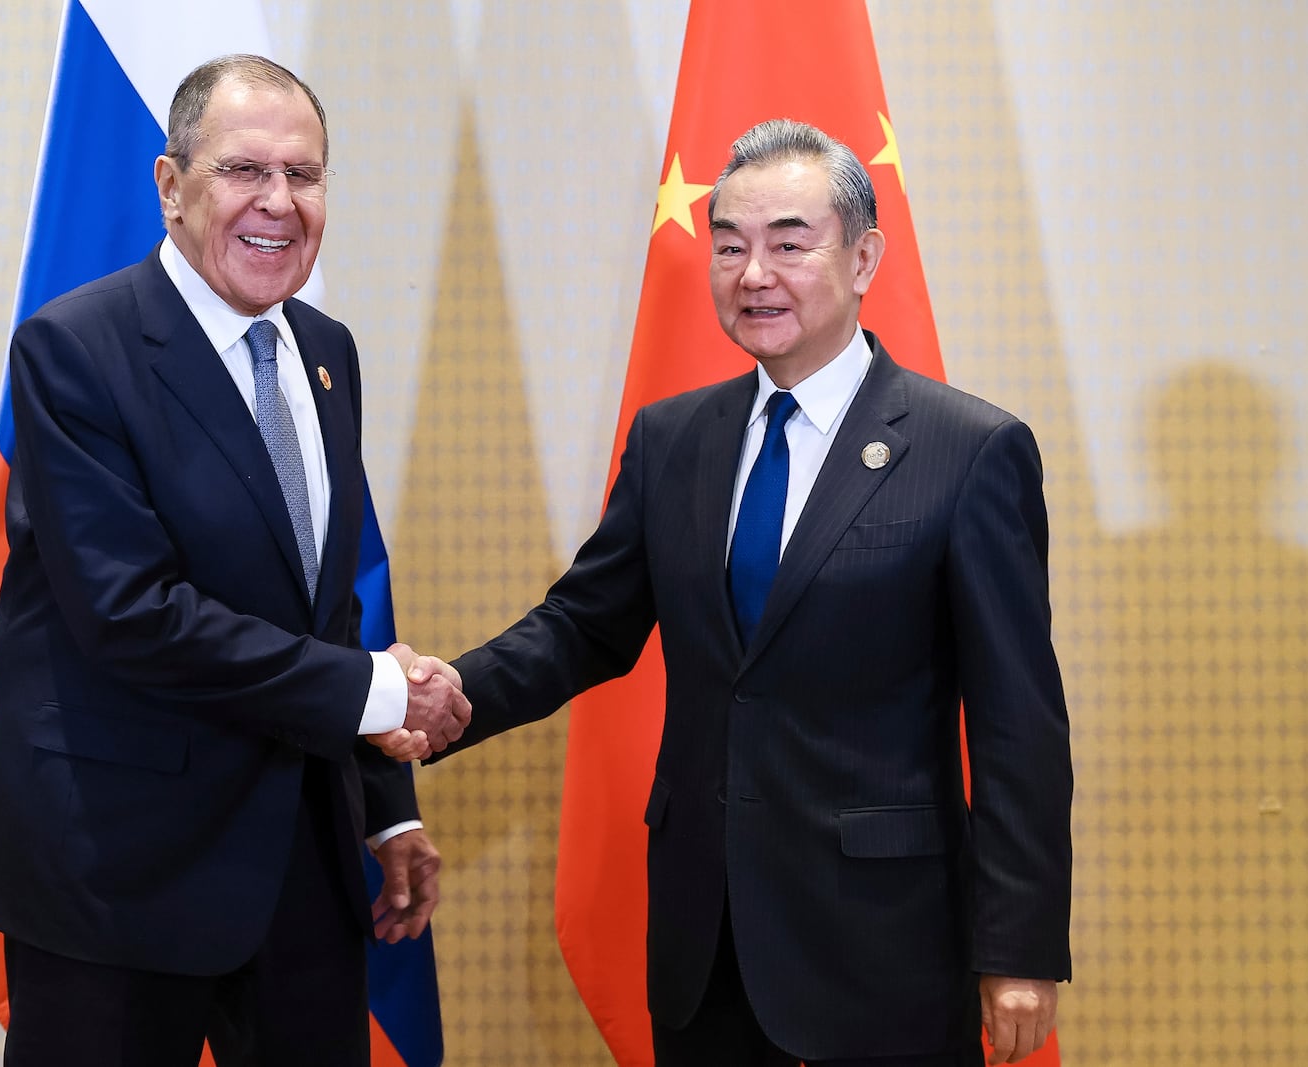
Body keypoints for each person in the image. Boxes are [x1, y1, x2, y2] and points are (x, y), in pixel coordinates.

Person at [422, 119, 1072, 1066]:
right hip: (704, 940)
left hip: (883, 949)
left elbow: (1019, 725)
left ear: (863, 258)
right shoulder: (672, 438)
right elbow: (583, 628)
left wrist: (1018, 947)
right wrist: (446, 692)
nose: (753, 272)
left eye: (788, 243)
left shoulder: (966, 451)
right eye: (728, 244)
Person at [0, 54, 467, 1066]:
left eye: (304, 175)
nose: (278, 202)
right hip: (115, 866)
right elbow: (129, 612)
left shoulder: (325, 350)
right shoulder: (73, 349)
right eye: (242, 171)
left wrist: (388, 812)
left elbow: (325, 606)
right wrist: (378, 690)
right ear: (170, 186)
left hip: (301, 863)